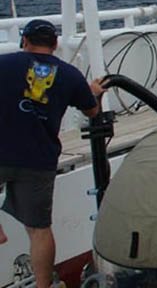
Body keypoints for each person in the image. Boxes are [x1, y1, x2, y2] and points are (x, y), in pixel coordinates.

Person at [0, 19, 106, 288]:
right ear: (56, 44)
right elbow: (92, 112)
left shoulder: (4, 64)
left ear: (24, 41)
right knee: (38, 230)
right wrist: (94, 93)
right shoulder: (69, 74)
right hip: (38, 160)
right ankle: (44, 286)